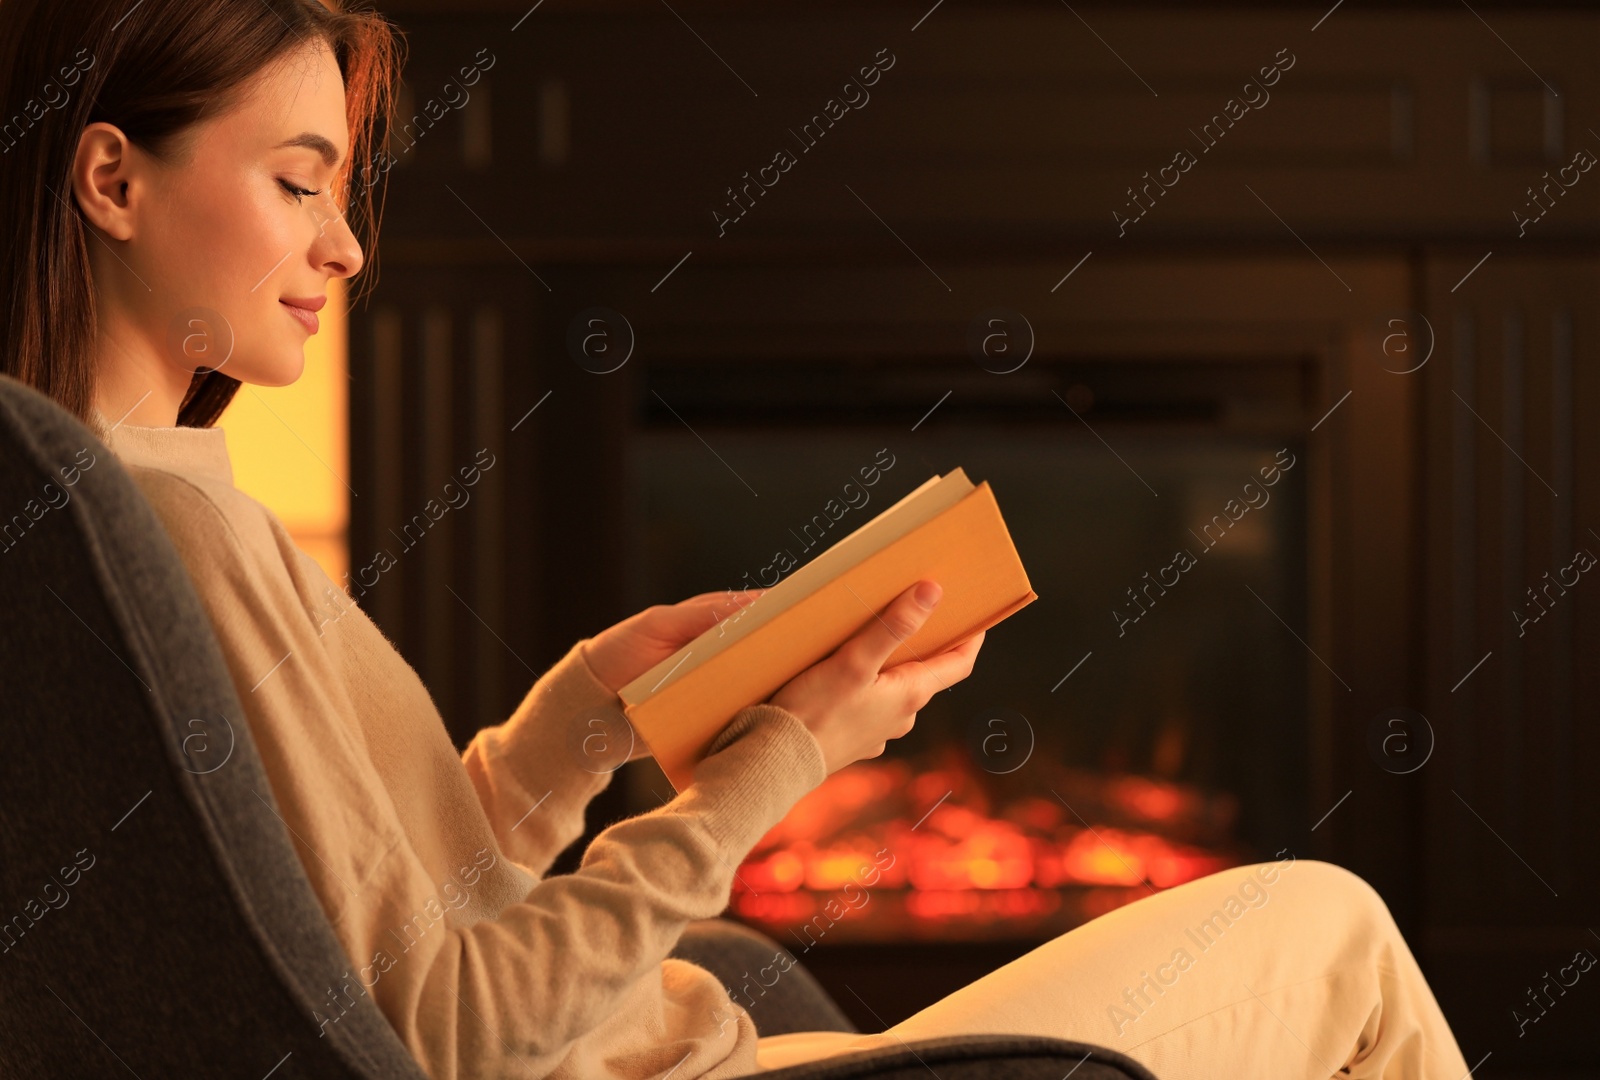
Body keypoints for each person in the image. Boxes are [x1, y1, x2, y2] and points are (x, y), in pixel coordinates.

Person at [0, 2, 1473, 1078]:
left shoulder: (106, 518)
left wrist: (578, 721)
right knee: (1334, 928)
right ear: (113, 181)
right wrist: (788, 759)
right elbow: (449, 1030)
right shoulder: (166, 536)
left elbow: (360, 937)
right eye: (297, 180)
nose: (347, 245)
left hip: (699, 1049)